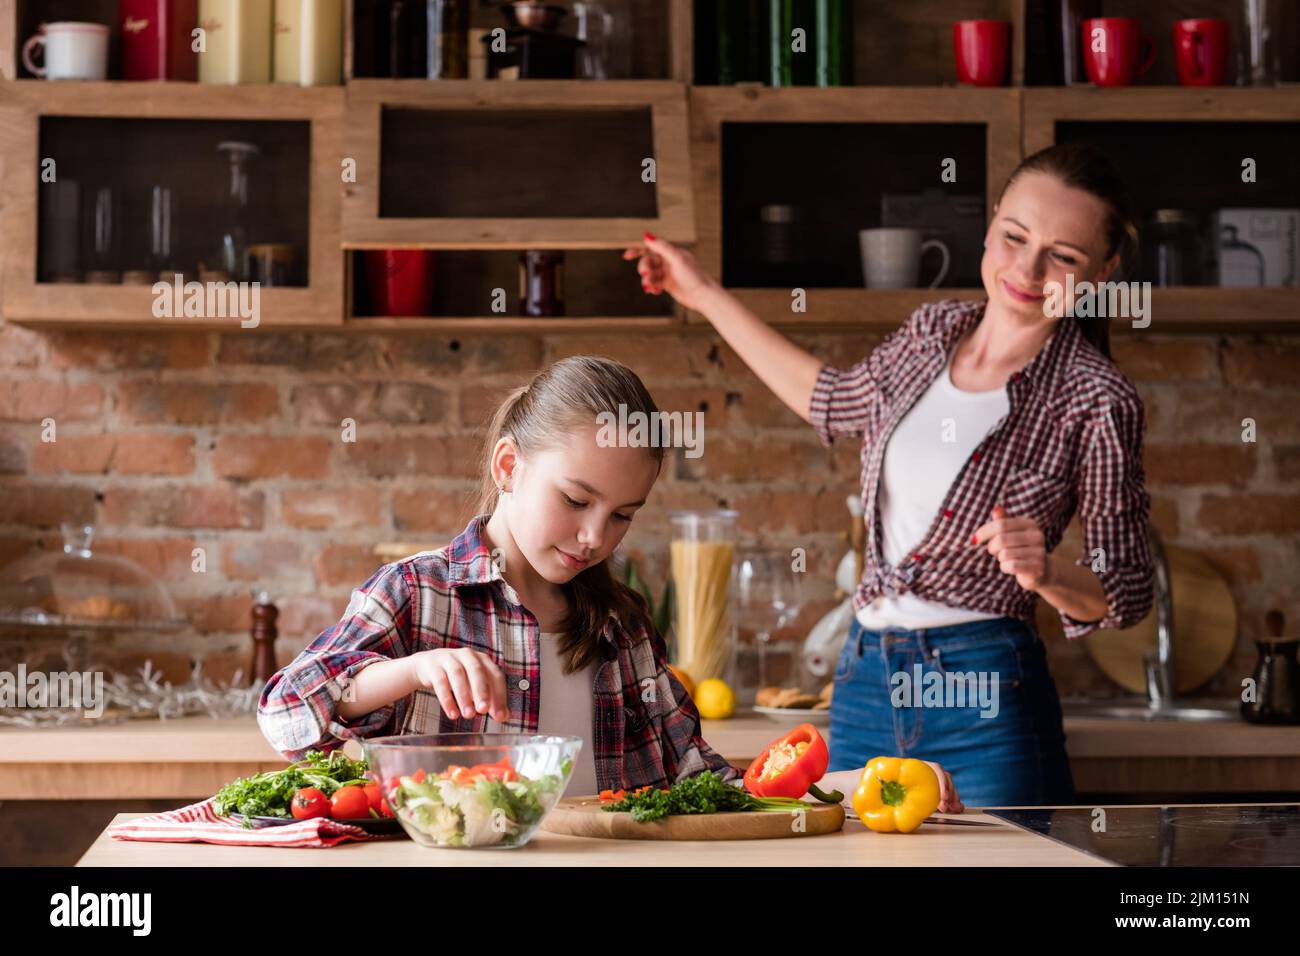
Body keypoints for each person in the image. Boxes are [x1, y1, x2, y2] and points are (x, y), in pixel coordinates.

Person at [623, 142, 1155, 806]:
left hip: (985, 691)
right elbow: (829, 397)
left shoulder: (1097, 399)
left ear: (1103, 271)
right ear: (991, 224)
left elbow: (1127, 591)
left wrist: (1046, 574)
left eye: (1064, 256)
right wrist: (698, 291)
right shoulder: (932, 331)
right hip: (867, 680)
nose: (1027, 267)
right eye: (1015, 236)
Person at [257, 355, 964, 809]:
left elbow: (702, 780)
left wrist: (848, 783)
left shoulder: (619, 626)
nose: (596, 536)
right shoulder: (418, 593)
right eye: (575, 500)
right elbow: (284, 712)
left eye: (622, 515)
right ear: (509, 468)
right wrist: (410, 671)